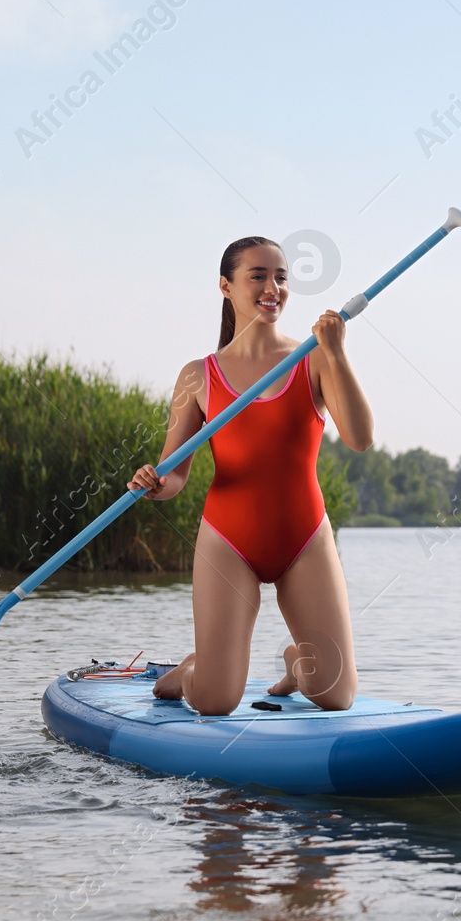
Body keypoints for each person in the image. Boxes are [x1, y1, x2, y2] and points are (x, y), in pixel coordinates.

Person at [128, 236, 373, 714]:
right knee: (217, 702)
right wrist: (155, 485)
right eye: (257, 276)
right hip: (228, 540)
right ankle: (188, 672)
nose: (272, 287)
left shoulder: (316, 357)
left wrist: (338, 353)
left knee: (336, 695)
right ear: (226, 286)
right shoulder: (198, 375)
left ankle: (295, 664)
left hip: (305, 537)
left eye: (280, 277)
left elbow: (360, 439)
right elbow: (175, 473)